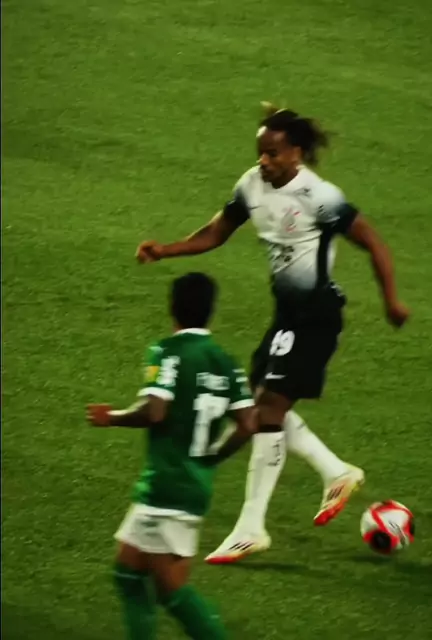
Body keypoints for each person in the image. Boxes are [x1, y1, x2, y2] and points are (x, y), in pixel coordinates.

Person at [135, 103, 410, 565]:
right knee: (256, 406)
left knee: (265, 410)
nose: (264, 160)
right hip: (285, 317)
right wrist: (165, 250)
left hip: (317, 316)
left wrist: (392, 301)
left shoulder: (319, 196)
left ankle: (251, 527)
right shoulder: (252, 184)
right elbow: (216, 232)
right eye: (260, 152)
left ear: (296, 152)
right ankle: (335, 471)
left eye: (273, 153)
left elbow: (373, 242)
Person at [87, 272, 256, 639]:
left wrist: (112, 418)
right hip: (194, 488)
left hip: (164, 486)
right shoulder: (227, 363)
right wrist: (212, 457)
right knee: (129, 573)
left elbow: (155, 411)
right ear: (211, 310)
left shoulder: (167, 352)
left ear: (172, 308)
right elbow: (248, 423)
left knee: (171, 591)